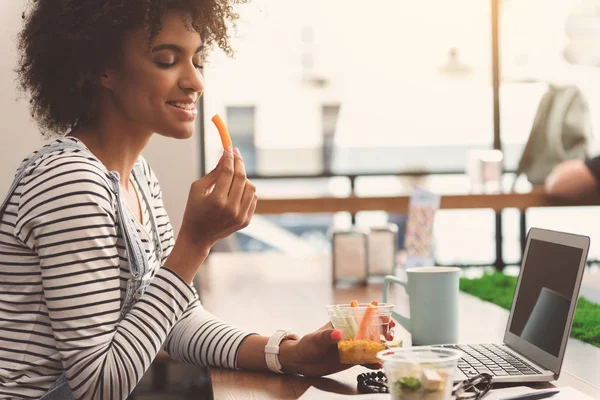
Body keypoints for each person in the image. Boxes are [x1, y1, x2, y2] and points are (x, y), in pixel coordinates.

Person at [0, 1, 393, 399]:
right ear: (103, 68)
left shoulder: (136, 176)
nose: (195, 82)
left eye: (198, 59)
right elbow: (99, 385)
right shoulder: (70, 184)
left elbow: (176, 320)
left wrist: (291, 354)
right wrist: (195, 243)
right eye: (168, 60)